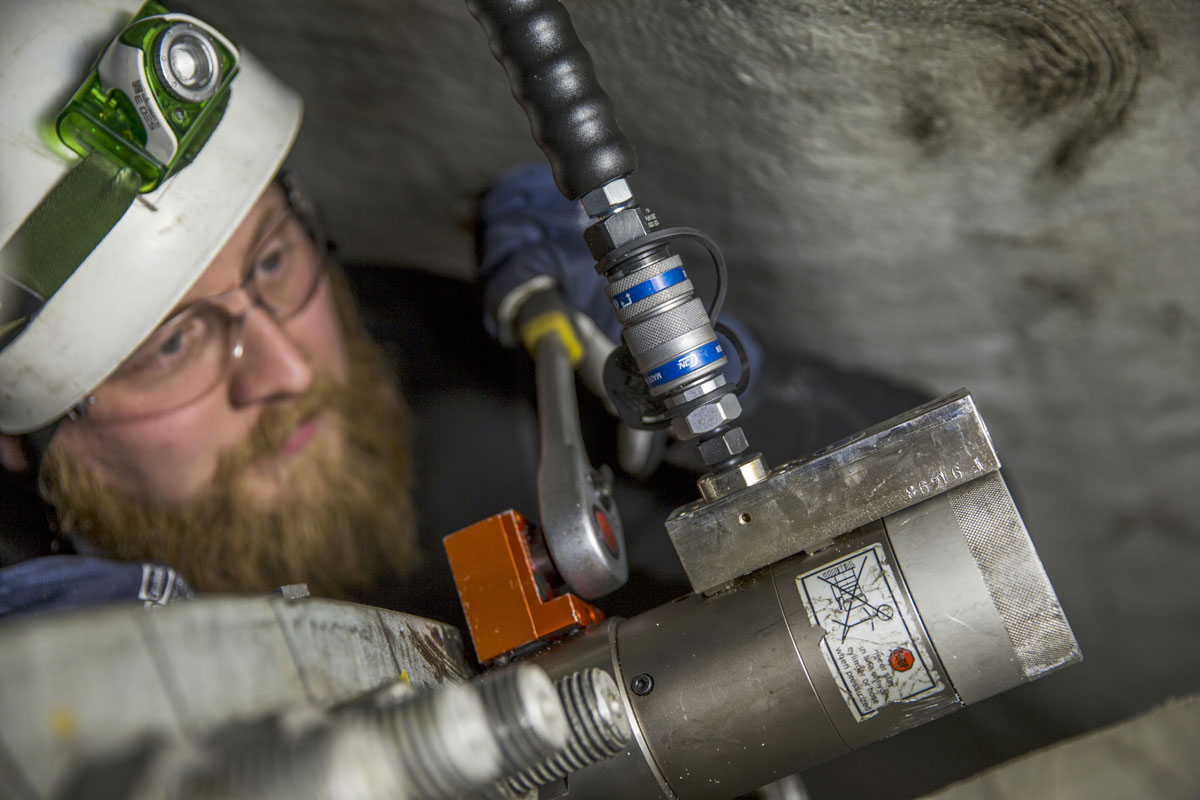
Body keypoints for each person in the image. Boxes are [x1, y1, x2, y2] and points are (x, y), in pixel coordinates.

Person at [0, 0, 927, 623]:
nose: (288, 369)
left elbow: (947, 516)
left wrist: (722, 389)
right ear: (19, 439)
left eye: (273, 260)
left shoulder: (471, 386)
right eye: (169, 346)